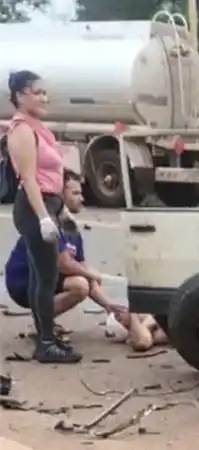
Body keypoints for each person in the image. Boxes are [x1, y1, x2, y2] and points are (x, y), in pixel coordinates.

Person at [5, 70, 83, 363]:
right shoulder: (22, 129)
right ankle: (46, 343)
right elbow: (28, 179)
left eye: (44, 92)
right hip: (33, 206)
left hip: (48, 204)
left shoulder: (38, 127)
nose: (43, 97)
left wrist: (60, 211)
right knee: (46, 276)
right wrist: (43, 217)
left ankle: (47, 337)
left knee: (43, 276)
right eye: (37, 92)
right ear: (21, 95)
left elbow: (51, 174)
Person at [4, 170, 127, 335]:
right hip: (22, 283)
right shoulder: (51, 224)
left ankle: (45, 321)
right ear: (60, 195)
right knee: (80, 285)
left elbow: (83, 271)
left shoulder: (72, 228)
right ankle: (42, 323)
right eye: (75, 193)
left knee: (82, 281)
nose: (81, 199)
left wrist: (108, 305)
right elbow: (63, 264)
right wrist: (91, 274)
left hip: (47, 280)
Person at [104, 311, 168, 352]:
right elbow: (143, 342)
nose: (121, 312)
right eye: (117, 316)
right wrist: (133, 312)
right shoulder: (153, 333)